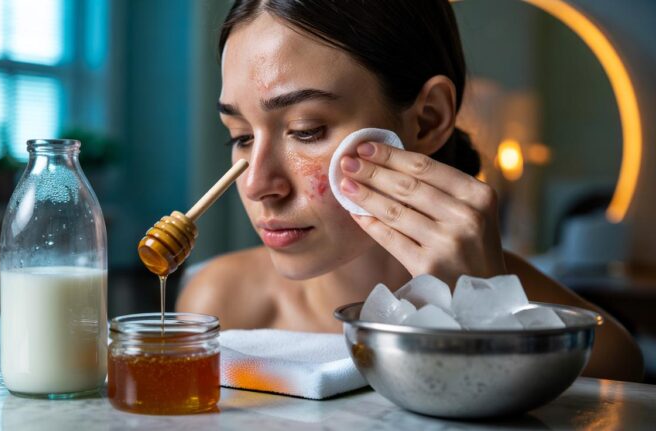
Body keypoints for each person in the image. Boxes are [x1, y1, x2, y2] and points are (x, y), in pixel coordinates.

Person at [176, 0, 643, 382]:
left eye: (306, 129)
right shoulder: (217, 305)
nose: (257, 184)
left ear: (428, 119)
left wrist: (484, 316)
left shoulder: (585, 354)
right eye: (241, 136)